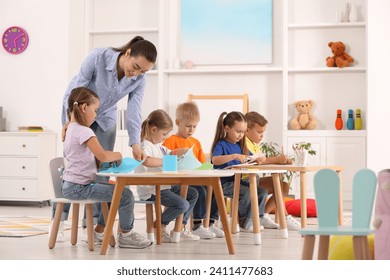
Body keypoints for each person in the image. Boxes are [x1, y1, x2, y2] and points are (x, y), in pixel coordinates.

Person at [52, 35, 157, 233]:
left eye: (143, 71)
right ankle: (59, 219)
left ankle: (92, 227)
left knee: (101, 172)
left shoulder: (140, 79)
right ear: (127, 53)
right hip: (81, 114)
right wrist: (69, 121)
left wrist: (135, 143)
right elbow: (75, 90)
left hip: (105, 120)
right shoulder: (98, 57)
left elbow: (134, 109)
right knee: (75, 167)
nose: (136, 74)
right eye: (136, 66)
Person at [61, 87, 152, 249]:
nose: (96, 115)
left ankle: (99, 231)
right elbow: (102, 155)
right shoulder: (84, 131)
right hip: (80, 187)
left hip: (70, 185)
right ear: (84, 108)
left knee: (115, 190)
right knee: (125, 195)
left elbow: (88, 158)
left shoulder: (70, 129)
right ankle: (126, 234)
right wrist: (117, 155)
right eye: (95, 110)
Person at [135, 109, 200, 243]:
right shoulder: (143, 146)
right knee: (182, 205)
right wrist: (167, 161)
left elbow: (170, 153)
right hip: (151, 189)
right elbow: (147, 161)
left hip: (164, 187)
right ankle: (159, 224)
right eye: (164, 134)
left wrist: (180, 152)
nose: (165, 137)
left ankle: (180, 226)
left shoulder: (159, 146)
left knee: (193, 193)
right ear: (153, 130)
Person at [163, 101, 224, 239]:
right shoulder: (170, 141)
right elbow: (165, 163)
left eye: (194, 127)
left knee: (213, 188)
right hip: (177, 181)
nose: (191, 130)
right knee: (199, 191)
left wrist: (208, 167)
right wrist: (177, 153)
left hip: (194, 177)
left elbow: (202, 163)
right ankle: (194, 225)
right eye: (188, 126)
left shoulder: (196, 143)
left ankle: (210, 222)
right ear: (178, 122)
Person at [210, 111, 273, 231]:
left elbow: (250, 157)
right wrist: (234, 156)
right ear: (227, 128)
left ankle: (257, 219)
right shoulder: (221, 144)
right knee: (247, 193)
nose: (240, 135)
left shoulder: (240, 145)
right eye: (238, 131)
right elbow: (215, 160)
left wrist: (258, 159)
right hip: (223, 183)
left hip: (237, 181)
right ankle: (245, 221)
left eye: (243, 132)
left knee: (262, 192)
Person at [244, 111, 301, 230]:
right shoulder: (244, 142)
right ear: (247, 130)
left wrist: (281, 161)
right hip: (244, 181)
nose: (261, 135)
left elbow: (262, 160)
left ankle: (263, 214)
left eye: (263, 132)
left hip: (253, 179)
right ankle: (284, 217)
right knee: (278, 184)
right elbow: (257, 161)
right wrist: (277, 159)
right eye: (259, 132)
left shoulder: (254, 144)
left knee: (284, 185)